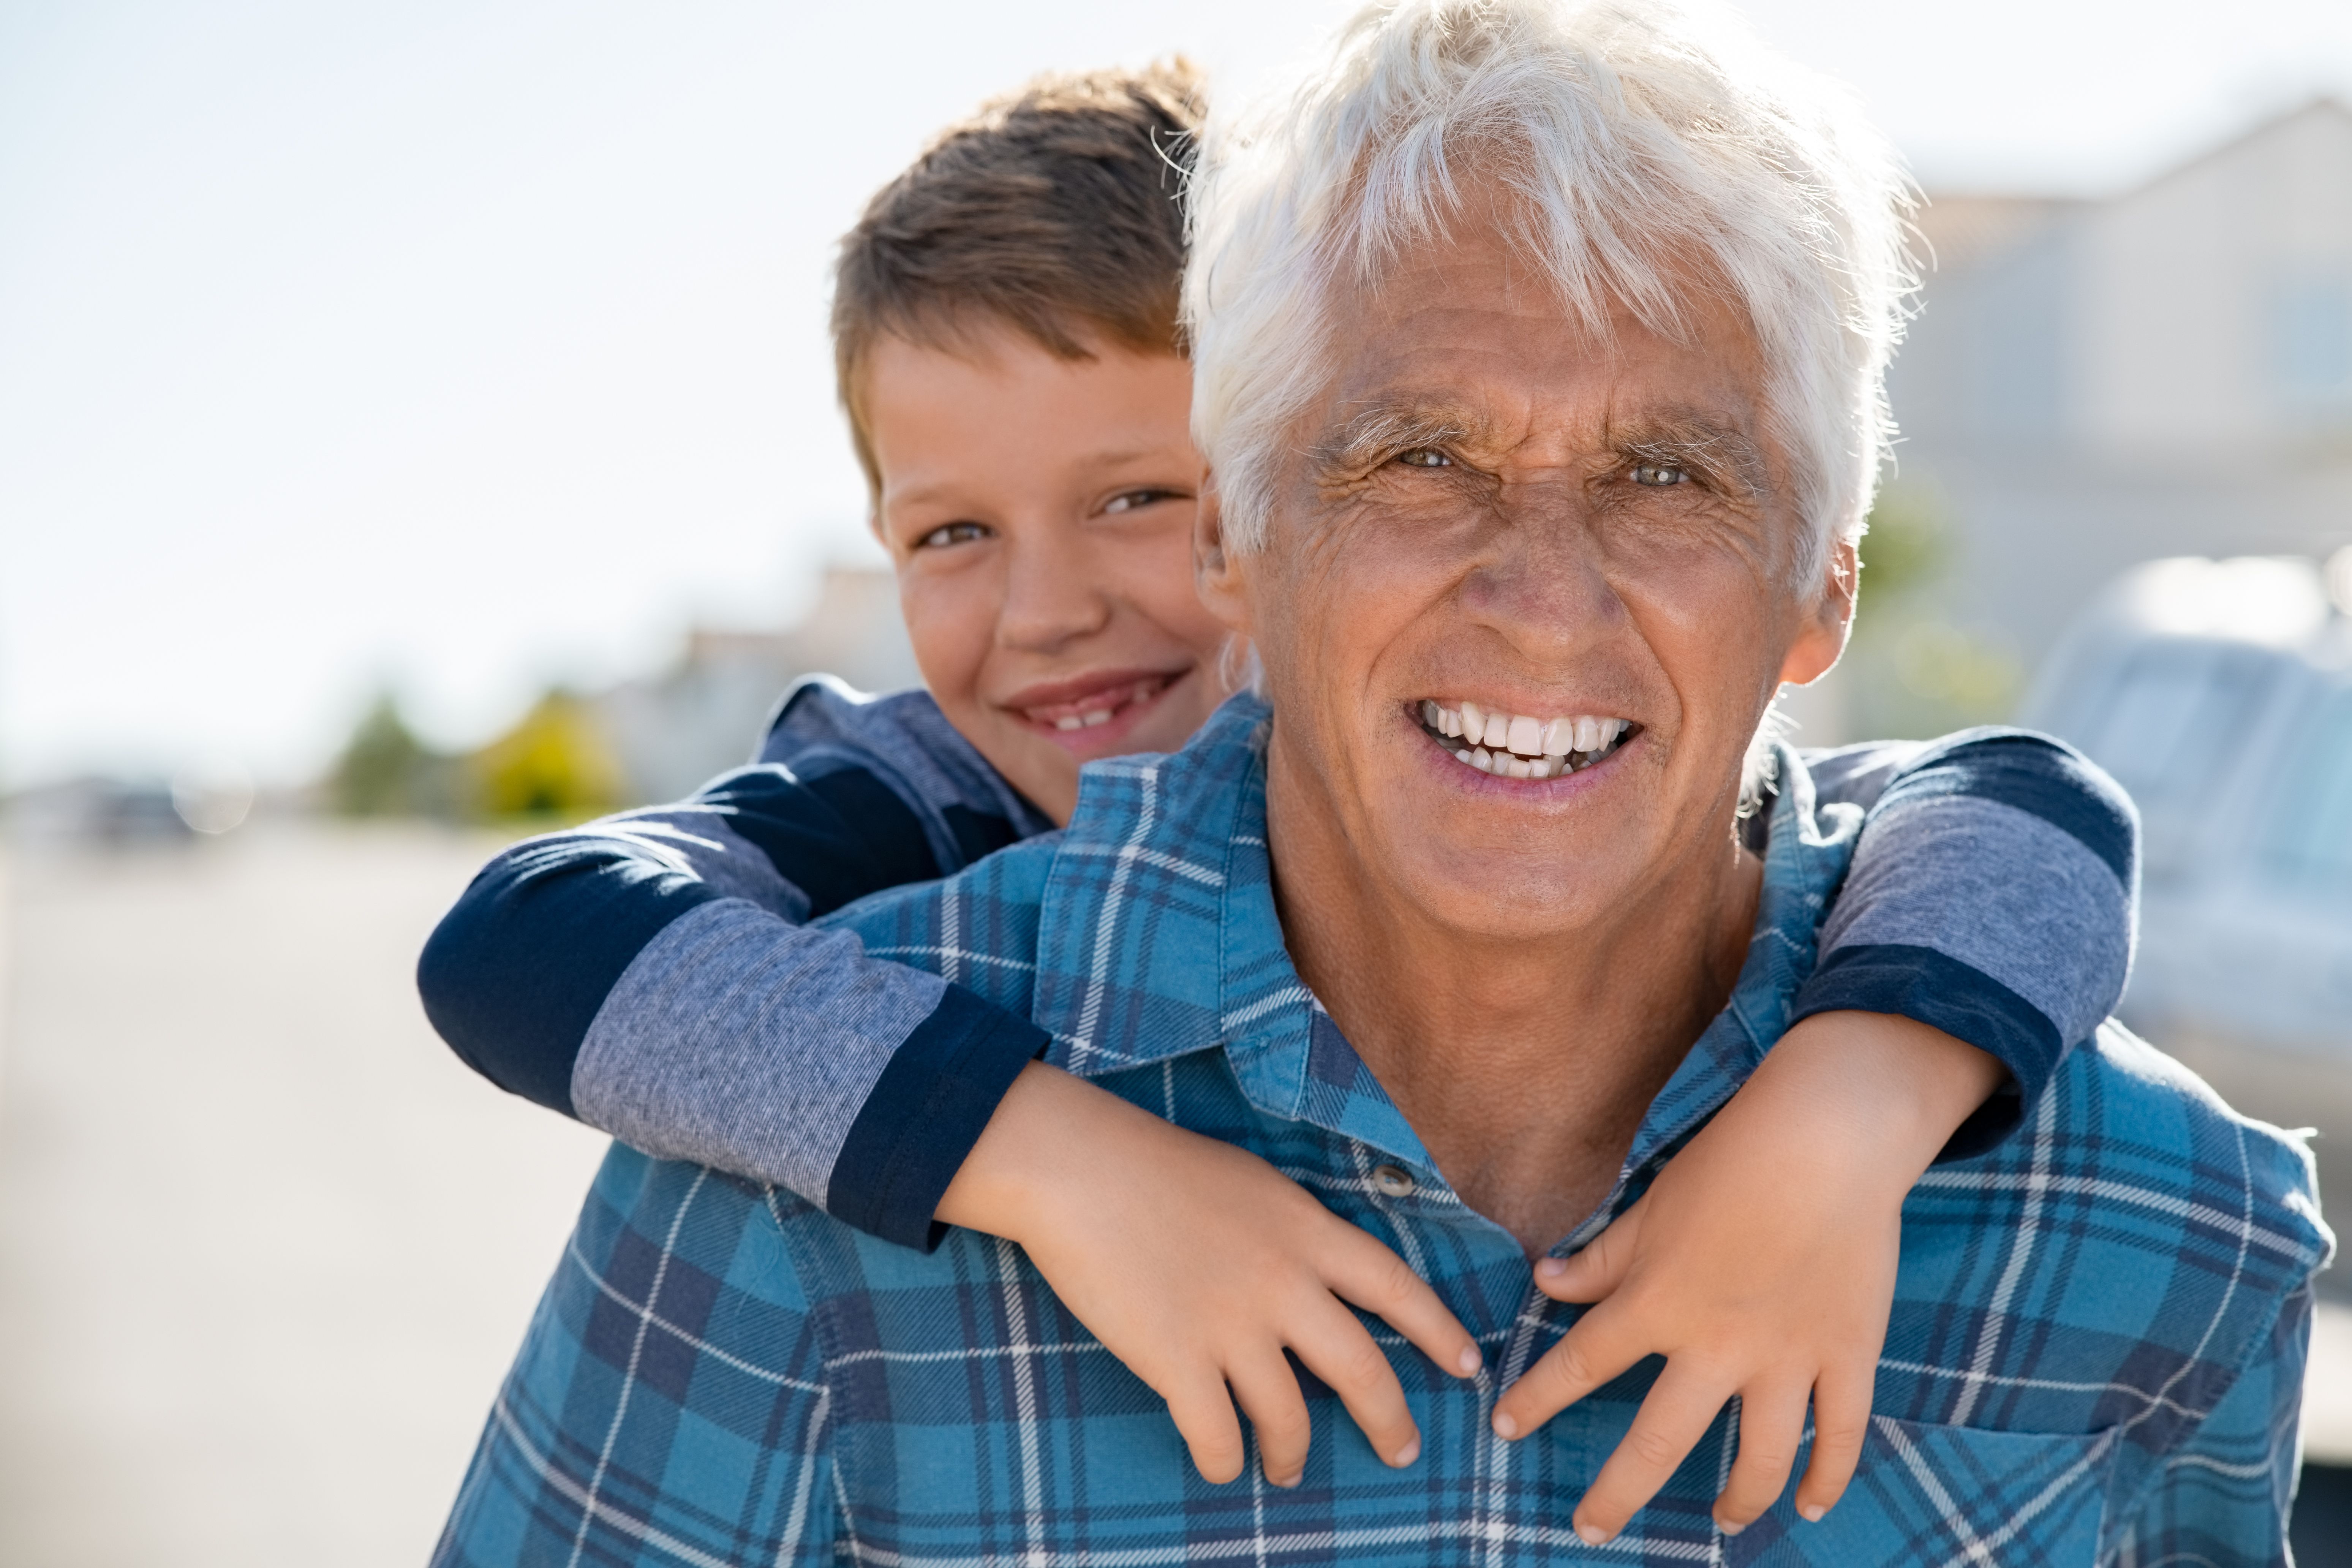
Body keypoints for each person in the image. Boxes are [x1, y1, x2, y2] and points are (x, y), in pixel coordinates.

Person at [421, 33, 2243, 1561]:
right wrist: (1052, 1159)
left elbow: (2022, 805)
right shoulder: (887, 854)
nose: (1058, 610)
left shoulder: (2158, 1224)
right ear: (1266, 529)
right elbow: (539, 934)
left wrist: (1857, 1107)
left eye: (1129, 499)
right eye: (1420, 458)